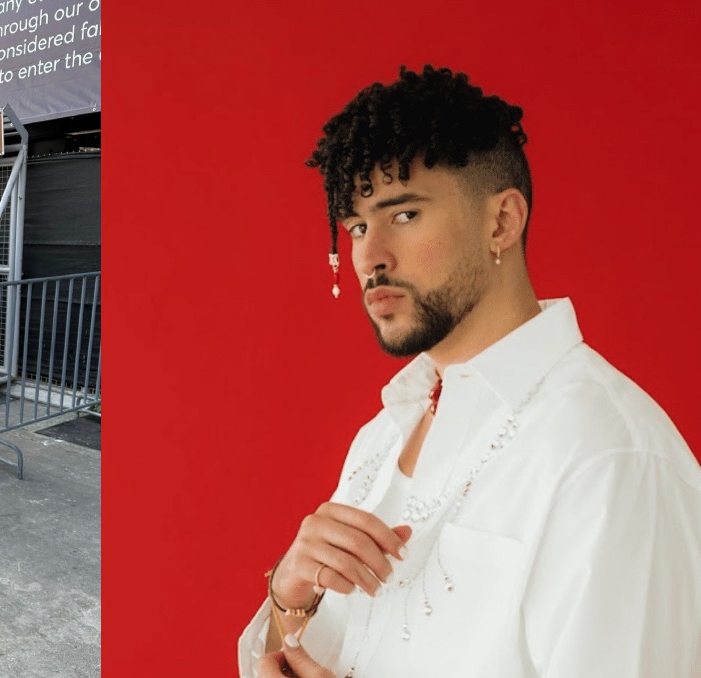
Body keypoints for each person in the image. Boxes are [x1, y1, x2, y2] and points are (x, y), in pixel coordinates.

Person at [239, 66, 701, 677]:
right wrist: (291, 598)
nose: (370, 256)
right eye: (356, 226)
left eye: (403, 215)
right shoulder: (380, 437)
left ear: (502, 222)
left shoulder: (611, 458)